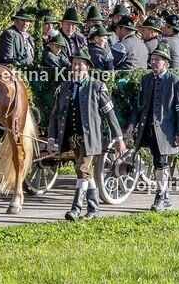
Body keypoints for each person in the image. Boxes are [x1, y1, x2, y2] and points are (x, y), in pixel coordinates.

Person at [46, 50, 126, 221]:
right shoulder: (64, 87)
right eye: (74, 63)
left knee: (82, 169)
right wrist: (52, 137)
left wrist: (119, 138)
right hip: (72, 137)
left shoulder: (97, 87)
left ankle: (75, 209)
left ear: (88, 67)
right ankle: (94, 208)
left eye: (81, 64)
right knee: (86, 173)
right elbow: (55, 114)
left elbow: (109, 114)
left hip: (91, 139)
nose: (77, 67)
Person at [126, 43, 179, 212]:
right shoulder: (146, 80)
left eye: (158, 60)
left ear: (166, 63)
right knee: (157, 161)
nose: (154, 63)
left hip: (166, 131)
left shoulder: (176, 82)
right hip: (148, 128)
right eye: (152, 59)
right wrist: (132, 122)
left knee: (160, 162)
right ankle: (166, 196)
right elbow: (138, 104)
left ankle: (160, 196)